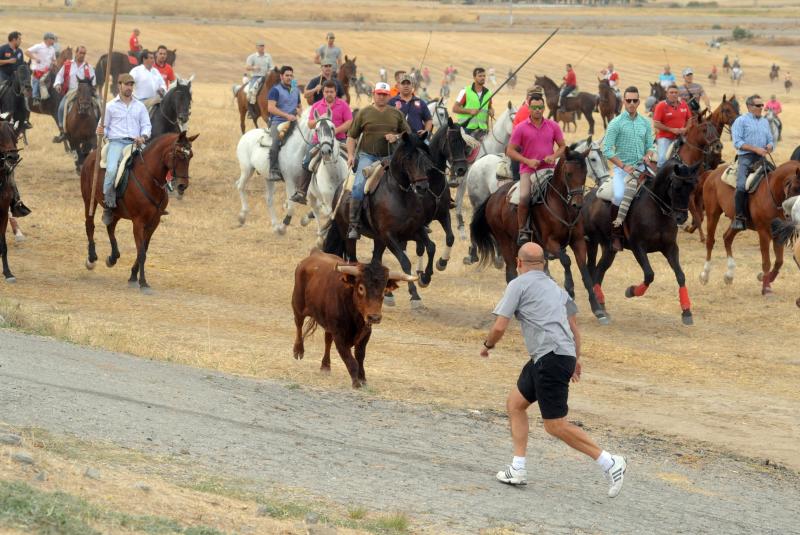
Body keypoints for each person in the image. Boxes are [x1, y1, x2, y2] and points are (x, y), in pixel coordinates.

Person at [481, 241, 627, 498]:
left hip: (549, 357)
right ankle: (518, 468)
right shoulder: (559, 290)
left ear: (518, 263)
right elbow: (575, 330)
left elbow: (500, 327)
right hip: (554, 356)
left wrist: (488, 345)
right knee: (515, 403)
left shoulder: (517, 284)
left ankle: (609, 461)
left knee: (555, 425)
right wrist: (573, 359)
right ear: (545, 264)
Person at [345, 81, 408, 239]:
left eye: (385, 95)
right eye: (379, 94)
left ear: (389, 96)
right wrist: (351, 156)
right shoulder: (363, 113)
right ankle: (354, 225)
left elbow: (408, 134)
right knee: (359, 185)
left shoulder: (396, 114)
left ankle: (417, 219)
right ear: (373, 94)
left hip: (391, 157)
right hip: (368, 157)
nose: (381, 97)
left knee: (411, 181)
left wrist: (396, 136)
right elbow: (351, 136)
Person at [506, 91, 566, 246]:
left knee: (567, 191)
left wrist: (553, 156)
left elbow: (563, 147)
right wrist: (527, 161)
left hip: (549, 170)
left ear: (544, 108)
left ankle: (571, 226)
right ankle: (523, 230)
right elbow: (510, 151)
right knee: (525, 196)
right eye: (534, 107)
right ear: (529, 108)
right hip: (528, 171)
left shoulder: (553, 126)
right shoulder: (520, 128)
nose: (537, 110)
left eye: (540, 107)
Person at [603, 86, 656, 252]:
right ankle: (616, 235)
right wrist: (623, 166)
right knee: (618, 196)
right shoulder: (615, 123)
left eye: (635, 100)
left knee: (661, 187)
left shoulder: (645, 123)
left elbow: (650, 145)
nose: (632, 103)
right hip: (622, 169)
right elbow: (607, 150)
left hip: (642, 167)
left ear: (639, 102)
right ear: (623, 102)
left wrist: (648, 155)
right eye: (629, 100)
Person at [95, 73, 151, 226]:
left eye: (131, 84)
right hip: (117, 144)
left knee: (153, 164)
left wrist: (143, 137)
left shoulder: (139, 106)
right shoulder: (110, 106)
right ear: (119, 85)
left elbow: (146, 125)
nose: (129, 87)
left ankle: (159, 199)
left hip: (136, 143)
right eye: (126, 84)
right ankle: (108, 204)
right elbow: (102, 128)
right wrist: (101, 132)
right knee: (112, 170)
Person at [290, 81, 353, 205]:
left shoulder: (343, 105)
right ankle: (302, 191)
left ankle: (355, 187)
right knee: (307, 160)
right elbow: (309, 123)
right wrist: (319, 121)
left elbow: (349, 122)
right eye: (326, 91)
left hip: (340, 139)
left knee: (354, 158)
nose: (329, 94)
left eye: (331, 92)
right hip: (318, 140)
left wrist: (334, 131)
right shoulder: (317, 105)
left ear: (335, 93)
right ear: (323, 92)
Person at [730, 94, 773, 231]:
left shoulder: (765, 121)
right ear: (749, 107)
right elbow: (737, 142)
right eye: (758, 105)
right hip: (746, 158)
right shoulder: (741, 121)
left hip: (762, 158)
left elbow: (770, 139)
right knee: (742, 186)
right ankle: (739, 218)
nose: (762, 108)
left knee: (776, 180)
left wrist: (770, 146)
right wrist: (755, 149)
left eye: (762, 105)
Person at [53, 45, 96, 142]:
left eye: (84, 53)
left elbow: (94, 81)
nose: (82, 55)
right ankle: (62, 131)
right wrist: (58, 84)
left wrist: (92, 88)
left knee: (100, 105)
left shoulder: (88, 67)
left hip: (86, 92)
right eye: (80, 53)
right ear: (76, 53)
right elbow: (59, 75)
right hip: (72, 91)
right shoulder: (68, 65)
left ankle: (100, 129)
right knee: (61, 107)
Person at [266, 66, 302, 182]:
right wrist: (286, 116)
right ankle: (273, 170)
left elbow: (299, 106)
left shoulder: (295, 90)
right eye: (287, 75)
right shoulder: (275, 90)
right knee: (276, 142)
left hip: (294, 122)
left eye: (291, 76)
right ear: (281, 76)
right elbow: (270, 108)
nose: (289, 78)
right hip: (278, 122)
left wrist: (300, 112)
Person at [652, 84, 691, 168]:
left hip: (681, 136)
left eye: (676, 92)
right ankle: (660, 178)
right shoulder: (661, 105)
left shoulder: (684, 104)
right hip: (665, 137)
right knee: (662, 159)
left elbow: (689, 119)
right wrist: (671, 130)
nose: (674, 94)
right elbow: (656, 123)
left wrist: (686, 129)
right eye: (671, 92)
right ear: (667, 94)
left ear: (678, 94)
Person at [453, 67, 494, 138]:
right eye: (480, 76)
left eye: (484, 76)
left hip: (483, 130)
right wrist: (470, 111)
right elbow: (455, 108)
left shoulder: (488, 93)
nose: (482, 78)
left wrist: (491, 111)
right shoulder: (465, 91)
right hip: (467, 128)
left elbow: (489, 107)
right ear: (474, 77)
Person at [25, 32, 57, 104]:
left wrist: (54, 63)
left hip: (47, 71)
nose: (53, 41)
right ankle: (35, 98)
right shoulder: (38, 46)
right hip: (37, 70)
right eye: (52, 39)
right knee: (36, 81)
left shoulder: (52, 49)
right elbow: (27, 52)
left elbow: (54, 59)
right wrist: (35, 58)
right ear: (47, 39)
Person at [244, 41, 274, 105]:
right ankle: (251, 105)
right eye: (260, 46)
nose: (262, 47)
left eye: (263, 46)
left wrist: (270, 71)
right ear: (257, 47)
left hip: (266, 77)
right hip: (256, 77)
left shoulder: (268, 56)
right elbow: (247, 67)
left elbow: (271, 67)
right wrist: (254, 68)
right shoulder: (252, 57)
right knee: (251, 91)